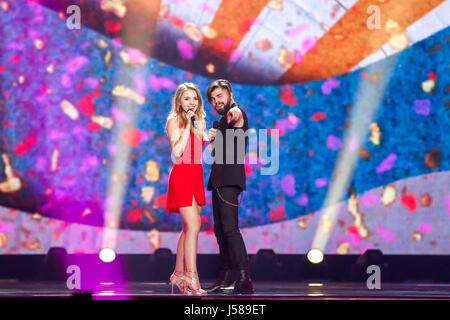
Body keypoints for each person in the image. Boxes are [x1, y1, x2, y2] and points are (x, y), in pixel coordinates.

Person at [204, 79, 254, 294]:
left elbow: (234, 116)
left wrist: (218, 130)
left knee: (230, 229)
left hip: (230, 179)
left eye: (220, 96)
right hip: (218, 178)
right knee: (220, 230)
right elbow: (216, 151)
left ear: (230, 94)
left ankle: (244, 278)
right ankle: (225, 277)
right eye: (213, 99)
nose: (217, 101)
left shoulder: (236, 112)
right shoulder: (221, 122)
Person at [165, 82, 208, 295]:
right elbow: (178, 150)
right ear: (179, 101)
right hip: (181, 175)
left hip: (196, 175)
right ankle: (192, 277)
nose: (191, 102)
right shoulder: (174, 121)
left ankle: (178, 274)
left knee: (188, 228)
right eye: (186, 98)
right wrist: (189, 126)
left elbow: (204, 143)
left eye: (194, 98)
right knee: (193, 227)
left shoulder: (200, 120)